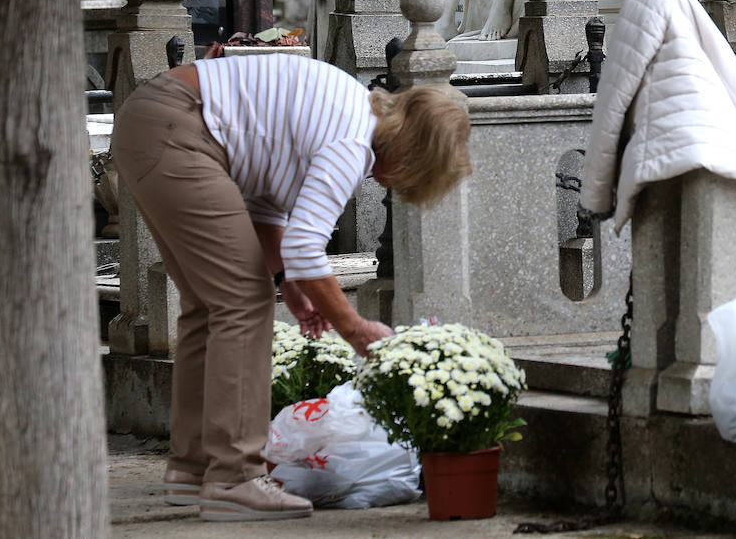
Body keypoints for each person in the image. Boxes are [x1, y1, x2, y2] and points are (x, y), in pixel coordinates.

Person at [109, 54, 471, 521]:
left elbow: (265, 205)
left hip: (154, 120)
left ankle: (195, 467)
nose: (398, 187)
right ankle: (235, 477)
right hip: (182, 128)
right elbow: (307, 245)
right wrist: (356, 330)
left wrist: (286, 281)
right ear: (414, 150)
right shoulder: (352, 140)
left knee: (209, 305)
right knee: (242, 302)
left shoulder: (349, 113)